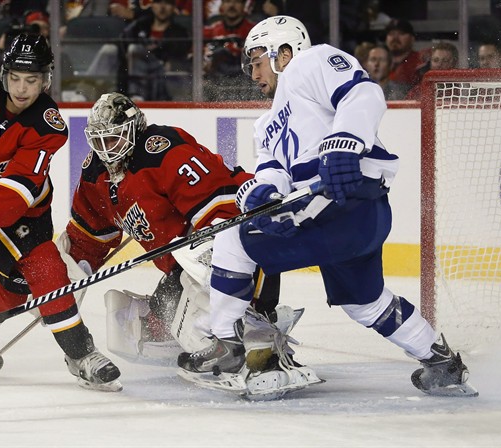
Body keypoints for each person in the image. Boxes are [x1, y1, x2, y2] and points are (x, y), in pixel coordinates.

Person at [178, 15, 478, 398]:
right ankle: (440, 361)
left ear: (283, 52)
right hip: (342, 218)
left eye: (256, 60)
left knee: (233, 239)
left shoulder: (310, 62)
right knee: (364, 302)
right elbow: (273, 172)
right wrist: (260, 195)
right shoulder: (266, 123)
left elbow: (363, 94)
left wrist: (344, 142)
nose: (253, 73)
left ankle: (224, 343)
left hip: (346, 199)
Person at [57, 92, 313, 398]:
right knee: (136, 328)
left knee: (200, 292)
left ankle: (252, 345)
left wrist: (226, 277)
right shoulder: (96, 175)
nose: (105, 150)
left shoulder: (162, 151)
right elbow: (87, 239)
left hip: (240, 247)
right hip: (182, 268)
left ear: (134, 129)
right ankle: (241, 339)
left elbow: (222, 209)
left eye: (112, 140)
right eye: (98, 141)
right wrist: (66, 281)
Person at [0, 33, 122, 392]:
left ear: (46, 80)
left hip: (24, 211)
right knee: (43, 271)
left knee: (24, 278)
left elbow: (17, 191)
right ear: (3, 73)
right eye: (15, 78)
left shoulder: (47, 124)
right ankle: (81, 355)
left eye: (32, 81)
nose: (22, 89)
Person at [118, 0, 191, 101]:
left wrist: (152, 51)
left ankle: (137, 95)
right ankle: (91, 93)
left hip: (160, 70)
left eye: (167, 3)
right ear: (152, 6)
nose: (162, 7)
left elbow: (177, 55)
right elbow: (123, 42)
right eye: (158, 2)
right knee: (108, 51)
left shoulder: (179, 32)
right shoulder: (139, 26)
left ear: (173, 8)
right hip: (133, 67)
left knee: (135, 49)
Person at [203, 0, 258, 101]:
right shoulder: (210, 30)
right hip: (217, 79)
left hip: (246, 79)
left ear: (243, 6)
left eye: (237, 2)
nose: (232, 5)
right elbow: (197, 57)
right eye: (228, 1)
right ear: (222, 5)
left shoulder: (255, 31)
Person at [384, 18, 423, 91]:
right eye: (391, 34)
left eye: (401, 33)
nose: (395, 38)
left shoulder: (419, 61)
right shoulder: (379, 60)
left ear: (412, 39)